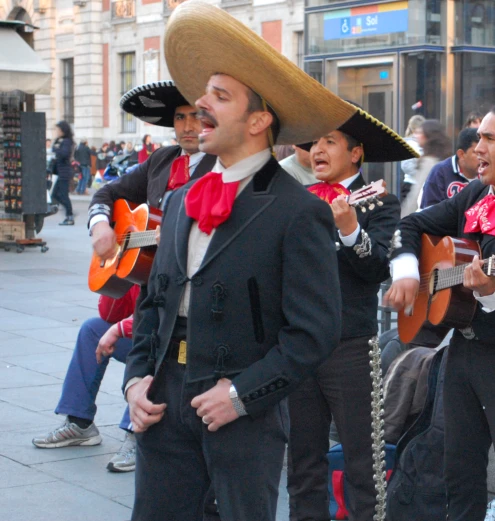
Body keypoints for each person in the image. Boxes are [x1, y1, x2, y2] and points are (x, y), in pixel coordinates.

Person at [122, 3, 360, 519]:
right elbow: (154, 302)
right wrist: (136, 379)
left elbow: (314, 332)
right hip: (162, 403)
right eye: (205, 93)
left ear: (259, 120)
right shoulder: (181, 200)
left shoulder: (299, 211)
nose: (200, 105)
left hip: (241, 416)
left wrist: (242, 394)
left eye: (219, 96)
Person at [384, 102, 495, 521]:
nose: (476, 146)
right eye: (477, 137)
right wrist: (409, 272)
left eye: (488, 138)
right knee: (458, 477)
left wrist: (490, 290)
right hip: (460, 354)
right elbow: (409, 226)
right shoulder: (474, 194)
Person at [286, 105, 414, 521]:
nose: (317, 150)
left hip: (351, 347)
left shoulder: (379, 202)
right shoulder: (300, 200)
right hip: (300, 344)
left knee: (363, 461)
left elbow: (376, 266)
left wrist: (349, 230)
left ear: (355, 153)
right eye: (314, 143)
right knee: (303, 460)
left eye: (329, 142)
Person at [88, 80, 218, 260]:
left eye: (196, 116)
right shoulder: (160, 159)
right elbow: (107, 192)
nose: (187, 127)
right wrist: (99, 224)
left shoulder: (223, 164)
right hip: (150, 279)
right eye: (180, 117)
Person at [32, 286, 140, 472]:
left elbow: (163, 314)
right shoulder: (139, 260)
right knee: (92, 328)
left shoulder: (166, 257)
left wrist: (119, 328)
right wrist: (118, 276)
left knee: (153, 346)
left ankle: (139, 437)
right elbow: (110, 314)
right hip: (141, 327)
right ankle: (79, 423)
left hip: (173, 338)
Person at [401, 119, 451, 216]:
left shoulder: (429, 162)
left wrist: (404, 219)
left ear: (428, 136)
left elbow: (416, 196)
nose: (416, 136)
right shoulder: (443, 160)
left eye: (420, 132)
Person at [420, 127, 480, 208]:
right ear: (461, 154)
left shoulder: (489, 173)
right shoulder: (440, 172)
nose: (482, 157)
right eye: (477, 153)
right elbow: (429, 211)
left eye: (484, 152)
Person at [51, 120, 75, 225]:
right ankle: (68, 214)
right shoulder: (61, 140)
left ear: (63, 130)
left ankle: (69, 216)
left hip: (64, 172)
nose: (57, 132)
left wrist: (55, 149)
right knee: (55, 195)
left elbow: (65, 154)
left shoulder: (67, 141)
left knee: (63, 195)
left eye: (58, 130)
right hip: (60, 172)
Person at [400, 114, 425, 202]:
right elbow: (406, 166)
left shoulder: (424, 144)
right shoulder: (410, 144)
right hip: (411, 185)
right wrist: (421, 174)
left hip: (421, 185)